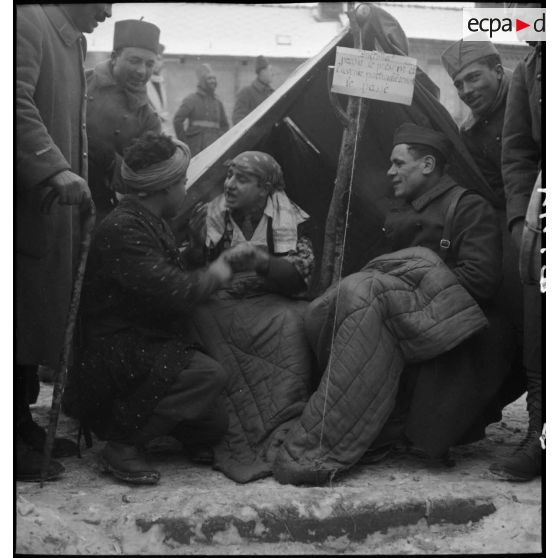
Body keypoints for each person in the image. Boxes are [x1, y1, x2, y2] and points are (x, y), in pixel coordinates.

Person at [273, 124, 510, 486]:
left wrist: (407, 285)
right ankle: (341, 421)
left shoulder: (467, 207)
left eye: (399, 163)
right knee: (325, 308)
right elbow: (384, 266)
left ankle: (334, 436)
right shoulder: (399, 210)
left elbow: (480, 279)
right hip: (400, 310)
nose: (390, 172)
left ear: (427, 165)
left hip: (448, 318)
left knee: (364, 297)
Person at [62, 133, 239, 485]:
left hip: (139, 339)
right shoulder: (124, 228)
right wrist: (221, 270)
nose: (186, 189)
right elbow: (175, 292)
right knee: (208, 376)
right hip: (112, 351)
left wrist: (193, 253)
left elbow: (157, 274)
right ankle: (121, 444)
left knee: (213, 424)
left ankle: (146, 423)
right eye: (182, 182)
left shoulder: (145, 219)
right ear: (164, 188)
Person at [16, 3, 112, 482]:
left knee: (31, 322)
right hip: (22, 208)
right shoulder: (24, 20)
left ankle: (21, 424)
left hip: (47, 214)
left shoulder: (72, 40)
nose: (107, 13)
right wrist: (52, 166)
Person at [182, 151, 316, 483]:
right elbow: (193, 268)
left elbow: (300, 275)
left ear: (264, 189)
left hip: (271, 298)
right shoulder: (210, 216)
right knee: (199, 318)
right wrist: (199, 247)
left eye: (242, 179)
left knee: (293, 323)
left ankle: (279, 426)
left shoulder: (289, 218)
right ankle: (215, 433)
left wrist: (261, 262)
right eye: (229, 175)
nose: (229, 184)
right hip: (223, 298)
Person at [441, 38, 526, 433]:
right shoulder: (470, 132)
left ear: (498, 70)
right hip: (512, 232)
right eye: (458, 84)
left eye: (474, 78)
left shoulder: (533, 105)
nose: (466, 90)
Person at [490, 37, 543, 482]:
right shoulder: (531, 68)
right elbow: (519, 153)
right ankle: (541, 437)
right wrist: (520, 222)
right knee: (540, 326)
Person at [85, 19, 162, 223]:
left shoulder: (149, 119)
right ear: (114, 58)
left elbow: (142, 179)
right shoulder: (83, 82)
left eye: (149, 64)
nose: (142, 71)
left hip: (101, 207)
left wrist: (111, 161)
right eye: (134, 60)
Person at [173, 63, 229, 157]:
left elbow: (225, 125)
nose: (213, 81)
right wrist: (184, 143)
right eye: (209, 78)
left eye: (214, 78)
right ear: (202, 81)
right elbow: (177, 120)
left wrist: (220, 139)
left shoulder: (218, 102)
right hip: (196, 148)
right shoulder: (191, 99)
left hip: (214, 147)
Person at [232, 55, 275, 125]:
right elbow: (238, 119)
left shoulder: (273, 94)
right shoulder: (246, 93)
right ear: (262, 71)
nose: (272, 74)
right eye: (270, 70)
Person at [147, 43, 173, 136]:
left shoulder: (163, 82)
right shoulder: (142, 84)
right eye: (153, 59)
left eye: (159, 59)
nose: (157, 63)